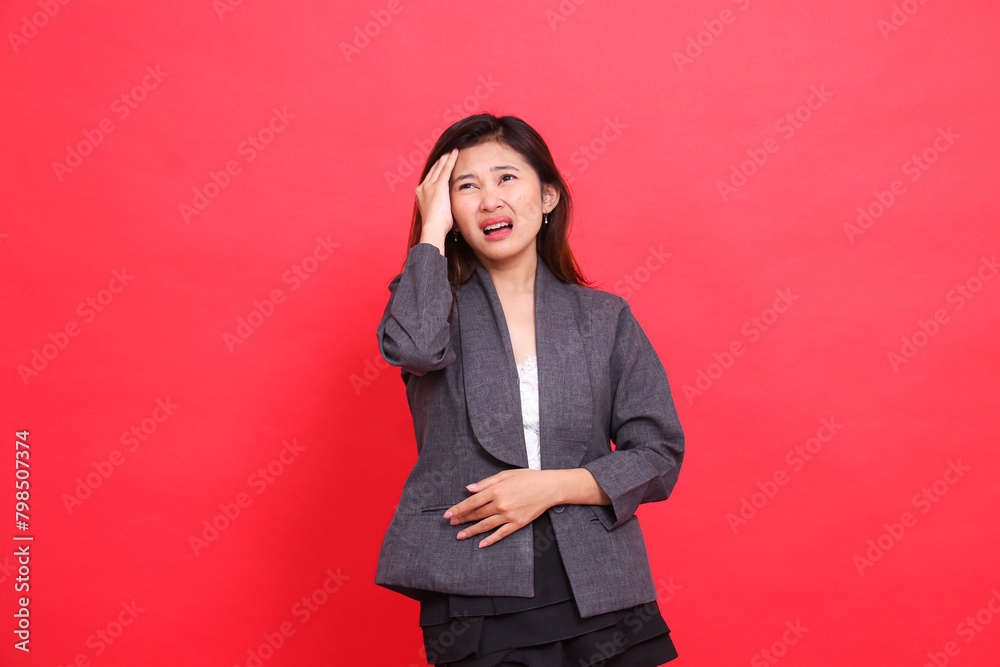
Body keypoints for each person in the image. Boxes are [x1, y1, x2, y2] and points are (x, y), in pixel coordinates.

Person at [374, 113, 685, 666]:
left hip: (602, 583)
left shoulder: (605, 317)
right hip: (475, 581)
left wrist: (551, 487)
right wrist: (429, 234)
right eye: (466, 186)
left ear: (547, 198)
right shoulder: (428, 307)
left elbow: (659, 455)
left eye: (506, 178)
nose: (489, 199)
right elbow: (417, 351)